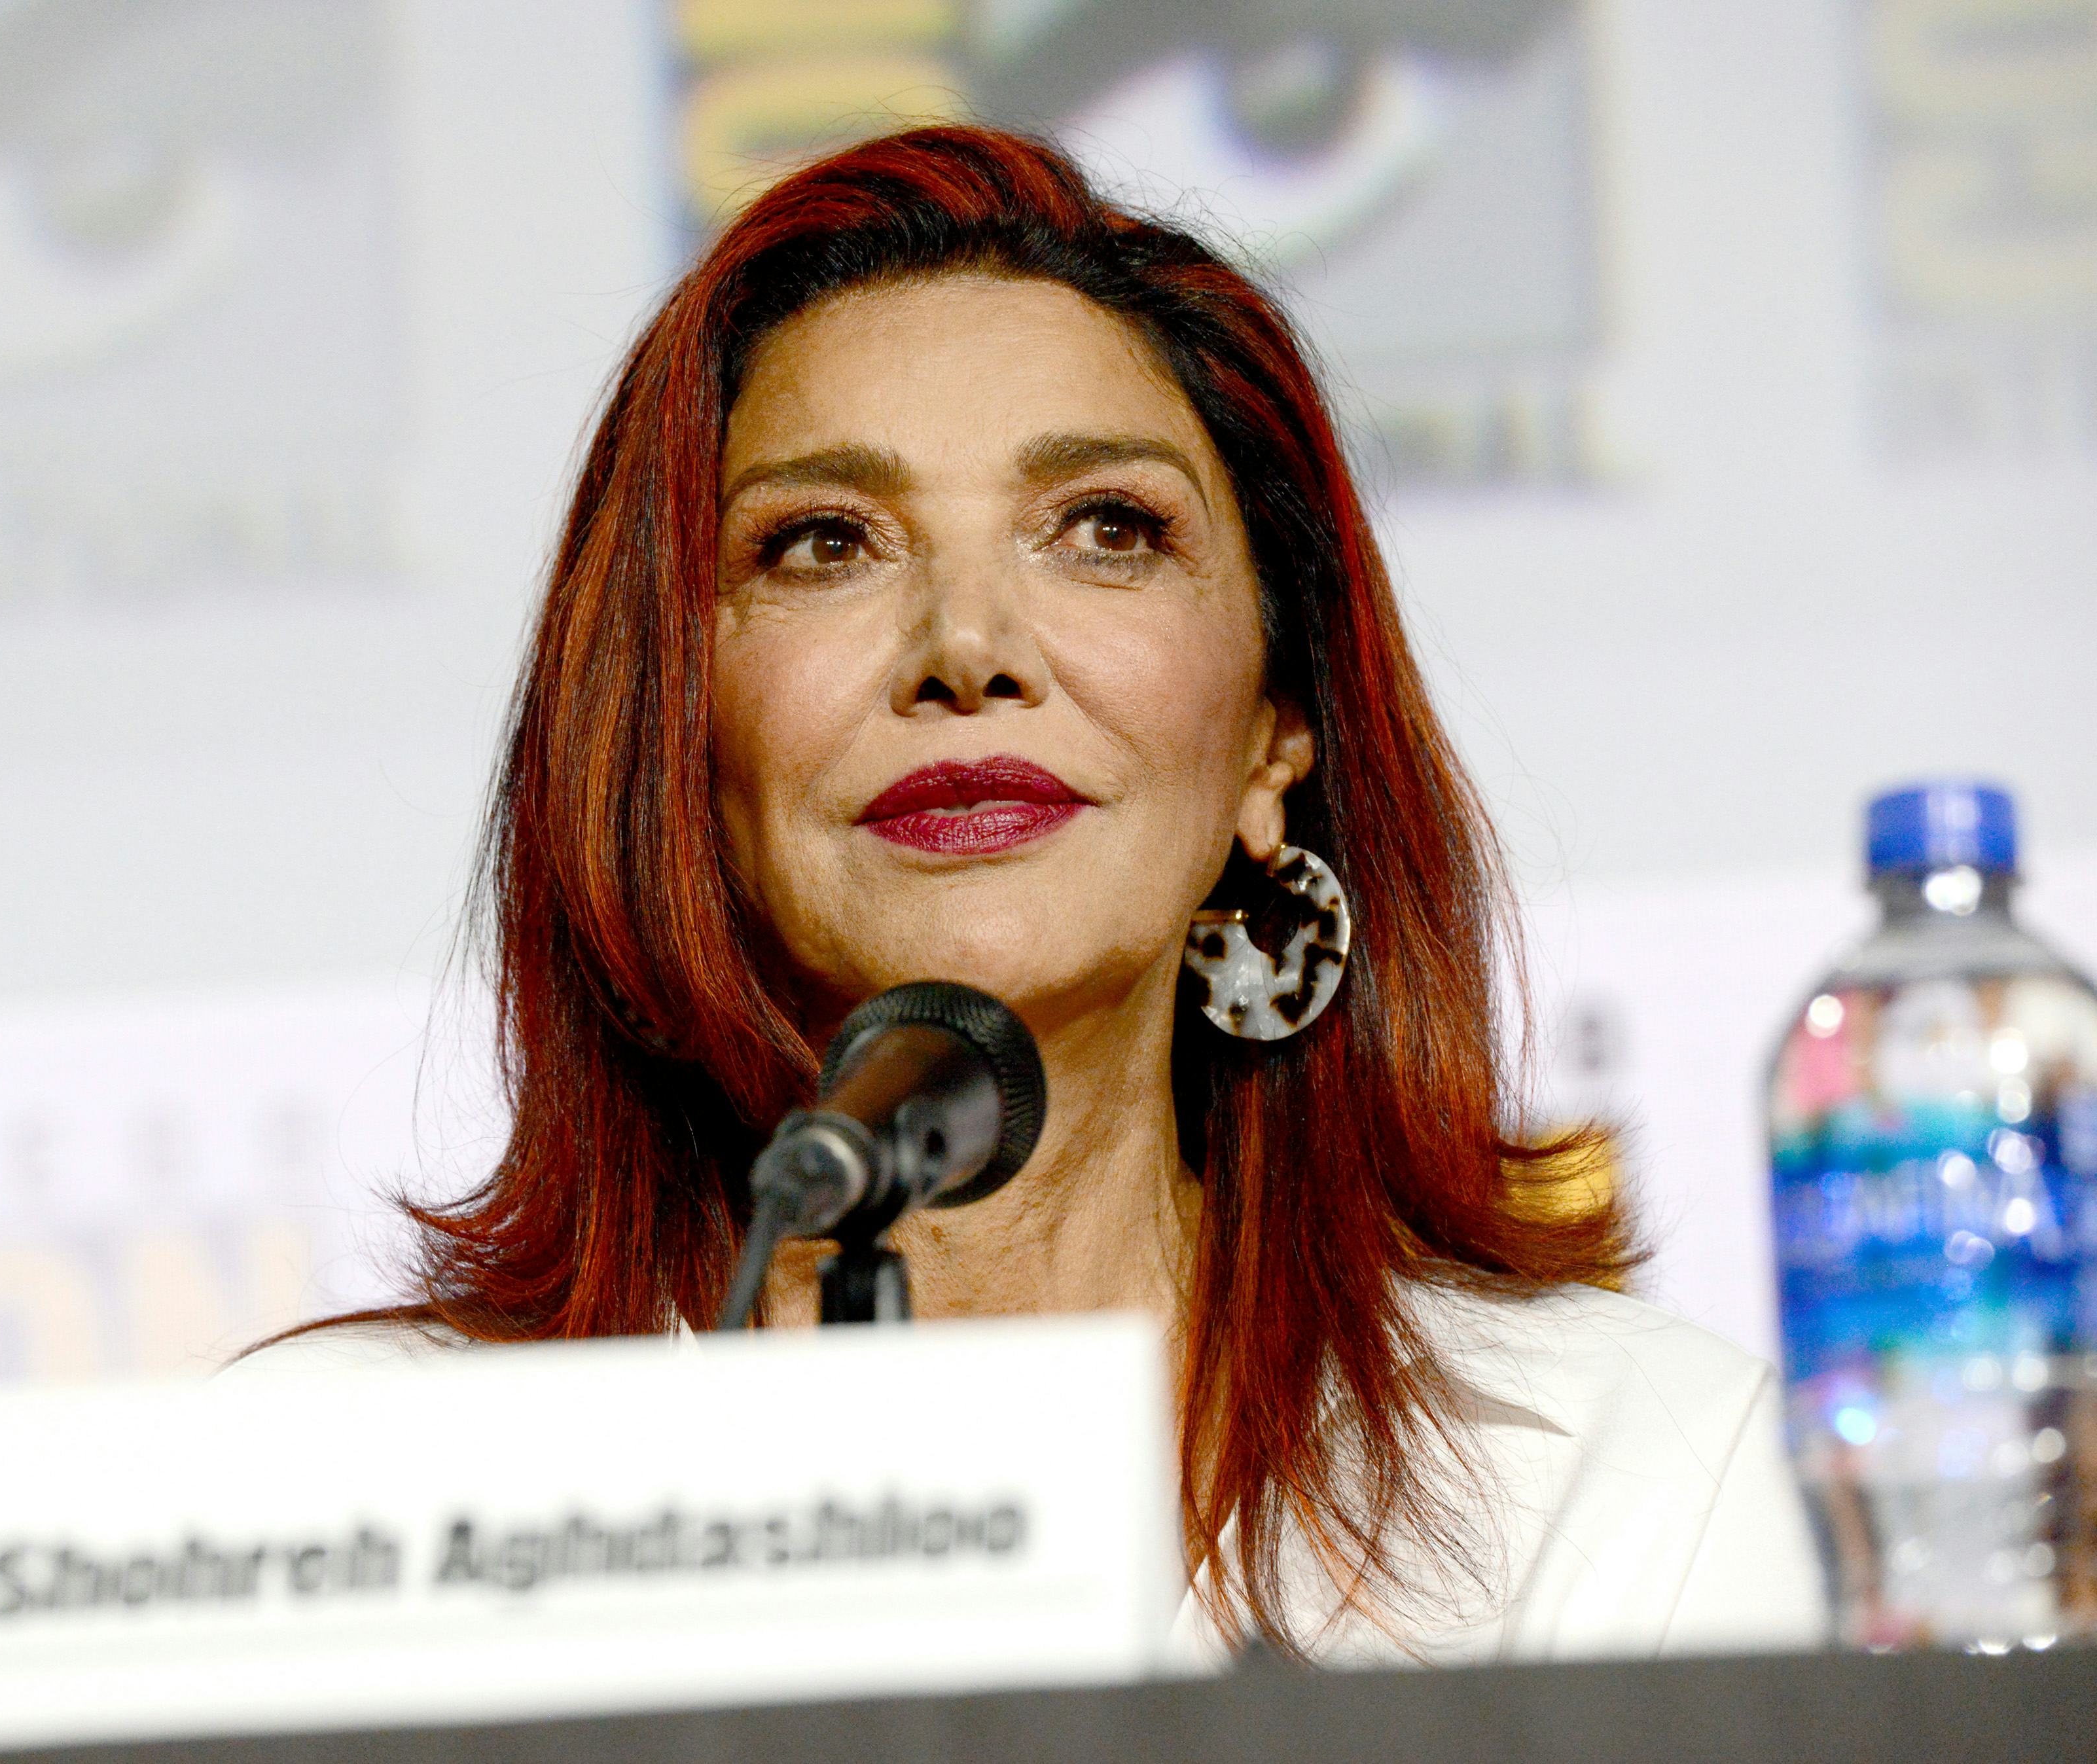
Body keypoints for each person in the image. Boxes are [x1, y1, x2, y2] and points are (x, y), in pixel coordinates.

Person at [238, 126, 1826, 1663]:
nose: (967, 646)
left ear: (1273, 737)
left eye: (1104, 528)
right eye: (823, 543)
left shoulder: (1622, 1481)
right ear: (668, 730)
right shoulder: (338, 1493)